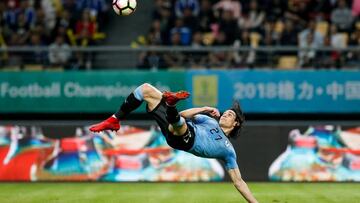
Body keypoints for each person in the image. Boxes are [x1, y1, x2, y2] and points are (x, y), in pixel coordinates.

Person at [89, 83, 258, 203]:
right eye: (225, 113)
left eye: (229, 115)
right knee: (146, 89)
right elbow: (184, 114)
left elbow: (239, 182)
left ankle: (171, 104)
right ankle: (115, 119)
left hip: (186, 138)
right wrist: (204, 108)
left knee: (181, 125)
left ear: (236, 124)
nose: (225, 115)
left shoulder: (228, 150)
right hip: (176, 126)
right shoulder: (209, 121)